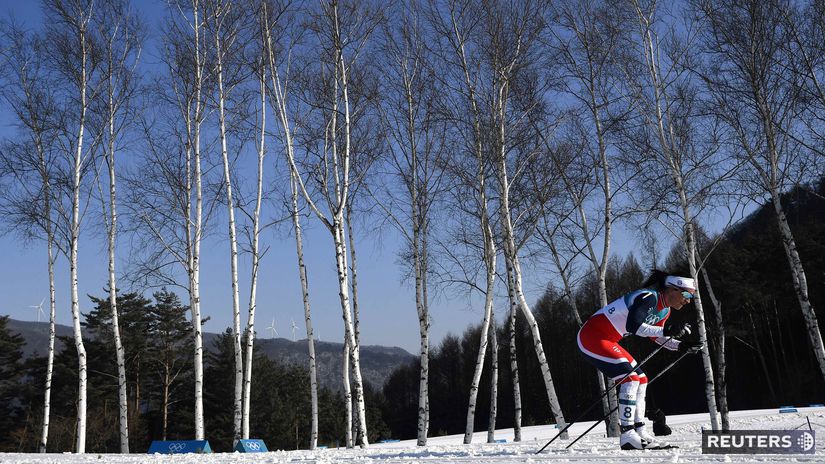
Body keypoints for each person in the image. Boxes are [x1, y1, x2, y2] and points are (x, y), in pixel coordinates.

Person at [576, 270, 703, 450]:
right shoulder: (649, 297)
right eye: (685, 294)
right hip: (591, 337)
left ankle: (639, 431)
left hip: (608, 340)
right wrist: (666, 331)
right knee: (630, 378)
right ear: (672, 289)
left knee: (642, 379)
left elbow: (657, 338)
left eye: (691, 297)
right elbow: (633, 326)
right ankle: (627, 434)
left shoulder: (664, 311)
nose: (687, 300)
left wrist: (681, 346)